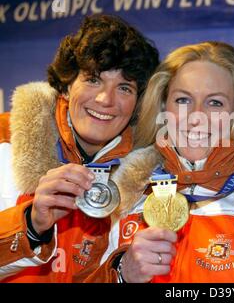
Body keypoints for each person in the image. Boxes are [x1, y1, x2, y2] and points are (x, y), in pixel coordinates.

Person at [84, 41, 234, 283]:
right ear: (162, 106)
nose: (196, 116)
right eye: (183, 100)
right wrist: (122, 274)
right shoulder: (123, 198)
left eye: (215, 103)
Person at [0, 14, 159, 282]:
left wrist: (123, 275)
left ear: (138, 103)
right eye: (93, 79)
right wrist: (30, 225)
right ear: (65, 85)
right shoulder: (5, 139)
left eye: (124, 87)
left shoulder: (146, 180)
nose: (105, 99)